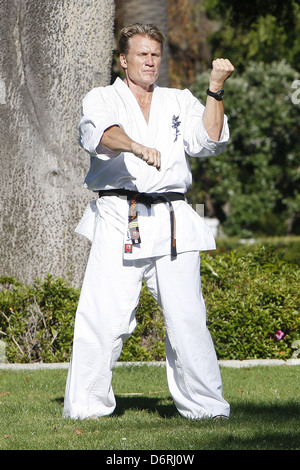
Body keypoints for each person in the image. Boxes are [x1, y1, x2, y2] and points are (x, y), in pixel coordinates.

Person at [63, 23, 234, 420]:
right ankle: (87, 407)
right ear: (124, 60)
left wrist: (215, 89)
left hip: (173, 217)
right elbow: (100, 136)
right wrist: (138, 146)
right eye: (142, 54)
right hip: (120, 214)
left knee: (188, 317)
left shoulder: (179, 99)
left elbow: (208, 140)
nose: (150, 61)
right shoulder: (102, 97)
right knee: (104, 314)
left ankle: (206, 407)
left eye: (155, 54)